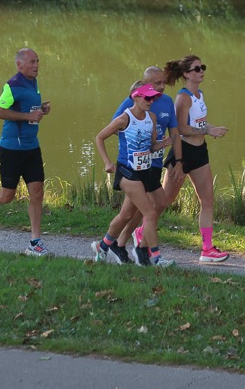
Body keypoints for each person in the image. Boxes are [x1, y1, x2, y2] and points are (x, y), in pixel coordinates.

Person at [0, 48, 52, 256]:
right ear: (19, 65)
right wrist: (27, 116)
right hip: (12, 149)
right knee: (7, 195)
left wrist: (40, 108)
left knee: (37, 193)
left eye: (37, 61)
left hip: (32, 146)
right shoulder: (12, 85)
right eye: (32, 62)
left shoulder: (33, 82)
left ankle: (35, 242)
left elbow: (26, 108)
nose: (36, 65)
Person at [97, 67, 182, 266]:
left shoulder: (152, 117)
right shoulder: (125, 116)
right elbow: (100, 136)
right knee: (150, 213)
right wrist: (108, 163)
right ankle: (155, 257)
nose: (152, 100)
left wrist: (164, 144)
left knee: (128, 213)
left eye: (153, 98)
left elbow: (152, 145)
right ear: (136, 97)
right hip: (128, 171)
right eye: (148, 97)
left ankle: (104, 245)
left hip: (147, 169)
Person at [161, 55, 230, 262]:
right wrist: (207, 131)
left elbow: (199, 122)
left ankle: (207, 249)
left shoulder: (199, 94)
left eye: (203, 67)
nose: (201, 71)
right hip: (183, 153)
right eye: (196, 69)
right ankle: (141, 233)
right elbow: (181, 128)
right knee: (164, 201)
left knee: (207, 200)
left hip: (200, 152)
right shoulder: (184, 98)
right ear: (186, 74)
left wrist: (211, 128)